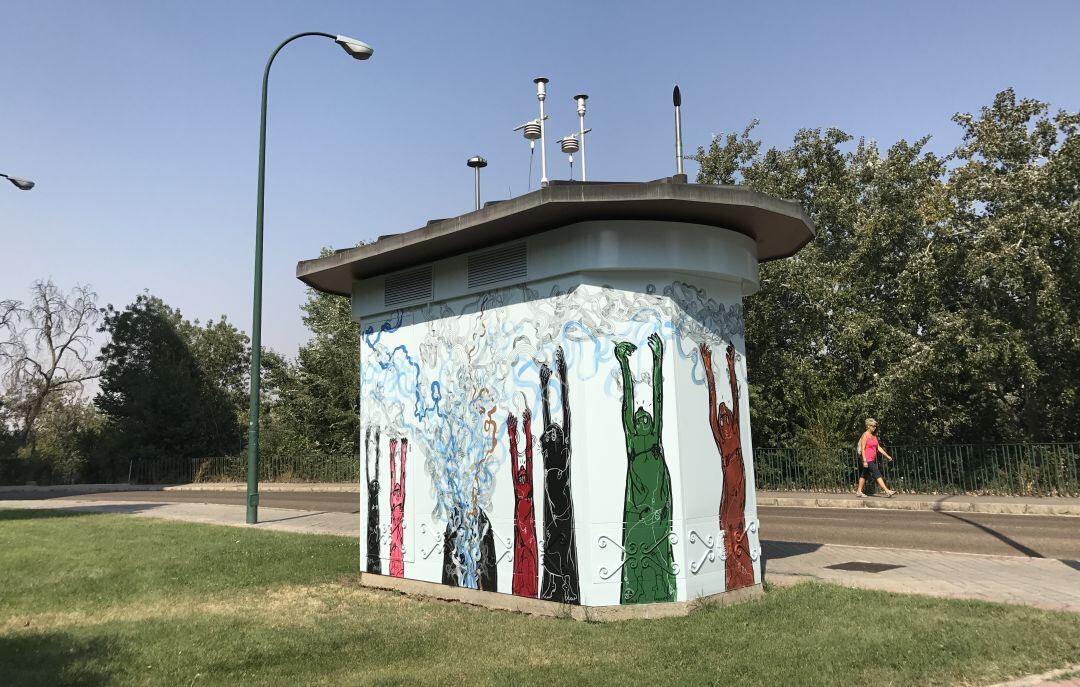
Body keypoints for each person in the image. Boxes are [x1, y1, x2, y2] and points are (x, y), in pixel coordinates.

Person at [856, 418, 896, 498]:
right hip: (867, 459)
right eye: (873, 426)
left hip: (872, 459)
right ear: (868, 426)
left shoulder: (874, 436)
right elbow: (863, 449)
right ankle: (887, 491)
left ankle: (859, 491)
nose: (874, 427)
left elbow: (878, 447)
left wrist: (887, 455)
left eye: (875, 426)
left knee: (864, 474)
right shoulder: (865, 435)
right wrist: (864, 461)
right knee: (876, 472)